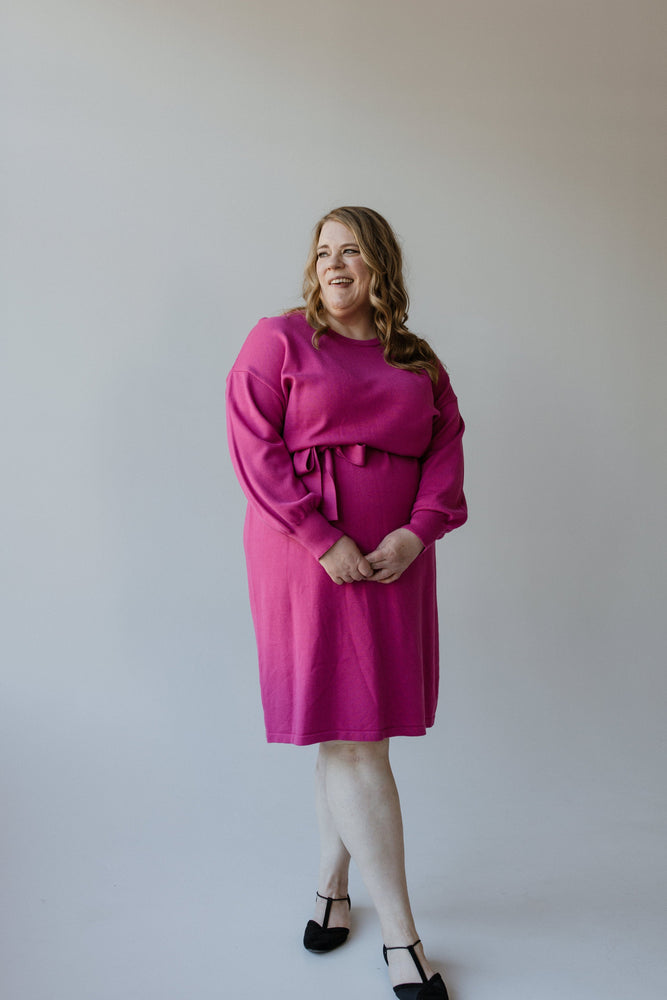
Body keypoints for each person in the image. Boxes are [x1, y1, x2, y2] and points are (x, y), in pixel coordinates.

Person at [226, 206, 466, 1000]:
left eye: (350, 251)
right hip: (307, 559)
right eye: (322, 252)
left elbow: (444, 450)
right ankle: (401, 936)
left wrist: (415, 534)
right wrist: (321, 537)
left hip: (393, 562)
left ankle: (333, 891)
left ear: (379, 266)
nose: (333, 265)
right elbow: (254, 446)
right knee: (355, 739)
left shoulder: (418, 360)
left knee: (355, 732)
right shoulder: (279, 340)